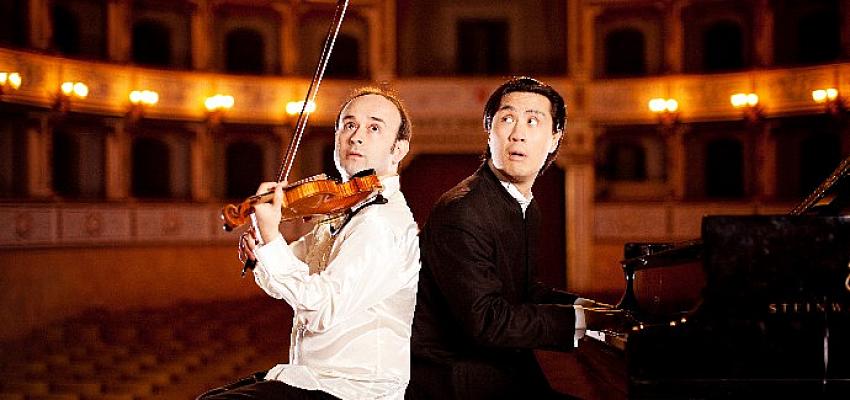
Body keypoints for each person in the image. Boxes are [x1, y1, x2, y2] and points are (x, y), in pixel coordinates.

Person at [199, 86, 420, 400]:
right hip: (311, 379)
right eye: (349, 125)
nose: (356, 137)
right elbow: (291, 281)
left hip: (352, 390)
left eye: (374, 128)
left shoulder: (380, 222)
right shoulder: (344, 211)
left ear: (398, 149)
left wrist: (272, 240)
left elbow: (321, 308)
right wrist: (262, 251)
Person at [407, 77, 616, 399]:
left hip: (499, 368)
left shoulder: (524, 205)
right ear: (489, 131)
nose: (518, 133)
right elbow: (487, 322)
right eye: (507, 119)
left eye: (533, 121)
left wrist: (583, 306)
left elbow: (522, 290)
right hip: (458, 379)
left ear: (554, 139)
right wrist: (582, 319)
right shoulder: (463, 210)